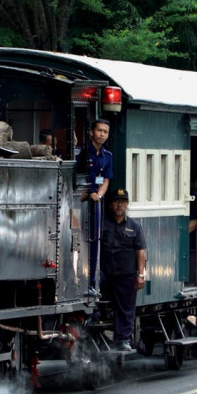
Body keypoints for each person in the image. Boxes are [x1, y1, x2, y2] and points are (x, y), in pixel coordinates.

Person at [100, 189, 146, 352]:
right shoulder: (102, 223)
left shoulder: (135, 226)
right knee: (94, 300)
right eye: (116, 201)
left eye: (123, 201)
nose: (119, 205)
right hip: (105, 272)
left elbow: (140, 252)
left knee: (125, 308)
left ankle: (123, 339)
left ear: (127, 205)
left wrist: (141, 275)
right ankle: (96, 333)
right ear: (111, 204)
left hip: (126, 274)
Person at [81, 119, 113, 295]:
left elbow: (105, 180)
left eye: (105, 132)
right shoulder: (82, 152)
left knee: (95, 242)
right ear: (91, 132)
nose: (102, 134)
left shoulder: (107, 156)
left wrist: (99, 195)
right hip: (82, 200)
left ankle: (92, 282)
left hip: (95, 201)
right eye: (99, 130)